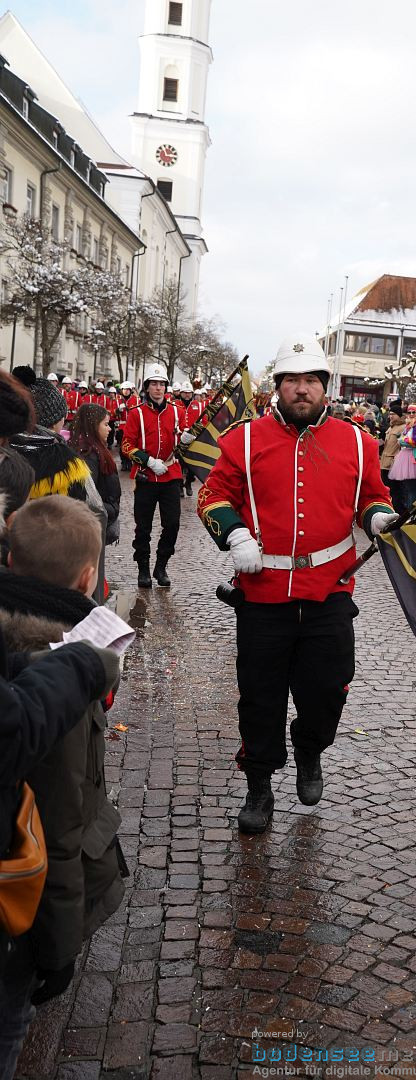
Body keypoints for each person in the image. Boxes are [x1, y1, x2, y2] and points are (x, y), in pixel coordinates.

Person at [197, 333, 395, 834]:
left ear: (325, 387)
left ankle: (310, 749)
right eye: (292, 381)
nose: (301, 390)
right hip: (262, 595)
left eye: (311, 381)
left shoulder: (357, 440)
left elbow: (371, 496)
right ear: (278, 386)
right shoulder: (243, 439)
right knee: (259, 696)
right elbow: (212, 496)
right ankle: (259, 787)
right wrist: (234, 532)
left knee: (328, 690)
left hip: (330, 590)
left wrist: (378, 519)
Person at [0, 497, 125, 1074]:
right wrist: (59, 944)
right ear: (88, 578)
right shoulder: (55, 664)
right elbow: (58, 819)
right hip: (16, 912)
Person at [122, 363, 183, 588]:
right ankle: (143, 568)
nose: (158, 388)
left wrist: (185, 441)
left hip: (170, 474)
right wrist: (147, 460)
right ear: (147, 387)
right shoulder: (136, 413)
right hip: (146, 476)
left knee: (173, 524)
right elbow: (126, 445)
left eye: (161, 384)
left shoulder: (178, 411)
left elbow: (183, 439)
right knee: (143, 527)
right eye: (154, 384)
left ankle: (161, 565)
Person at [70, 404, 122, 546]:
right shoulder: (88, 453)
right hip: (92, 522)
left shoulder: (95, 449)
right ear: (93, 426)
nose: (109, 428)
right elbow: (88, 496)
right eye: (106, 424)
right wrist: (108, 510)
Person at [389, 405, 416, 513]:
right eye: (409, 412)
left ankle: (412, 513)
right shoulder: (409, 426)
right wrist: (404, 440)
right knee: (408, 489)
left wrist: (403, 441)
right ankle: (410, 512)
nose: (410, 415)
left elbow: (415, 441)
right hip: (406, 459)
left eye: (413, 412)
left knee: (414, 490)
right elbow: (404, 439)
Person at [379, 403, 406, 511]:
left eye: (393, 414)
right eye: (390, 414)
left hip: (394, 463)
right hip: (384, 462)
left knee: (395, 490)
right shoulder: (391, 427)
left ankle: (397, 510)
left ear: (399, 415)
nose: (390, 416)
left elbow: (402, 446)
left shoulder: (402, 427)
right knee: (386, 489)